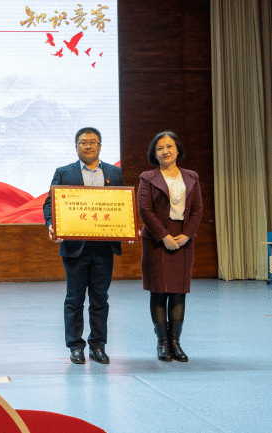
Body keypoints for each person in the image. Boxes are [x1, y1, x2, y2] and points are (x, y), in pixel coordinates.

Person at [42, 127, 124, 365]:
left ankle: (98, 345)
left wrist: (127, 227)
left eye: (93, 142)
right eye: (83, 142)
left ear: (100, 146)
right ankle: (75, 346)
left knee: (100, 299)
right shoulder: (64, 172)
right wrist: (51, 224)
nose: (88, 146)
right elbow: (49, 204)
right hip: (75, 247)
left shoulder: (114, 173)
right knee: (74, 299)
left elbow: (122, 205)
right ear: (76, 146)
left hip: (104, 247)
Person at [137, 131, 202, 362]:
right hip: (156, 241)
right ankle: (162, 344)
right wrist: (163, 236)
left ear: (177, 149)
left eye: (169, 146)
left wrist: (187, 235)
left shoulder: (191, 176)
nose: (165, 151)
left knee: (178, 292)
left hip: (184, 240)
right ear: (154, 154)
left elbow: (197, 209)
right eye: (160, 148)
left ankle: (175, 343)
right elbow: (145, 210)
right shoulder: (147, 177)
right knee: (159, 291)